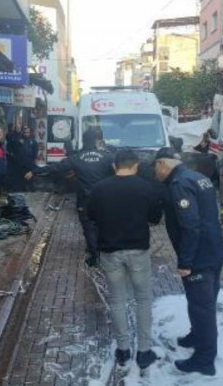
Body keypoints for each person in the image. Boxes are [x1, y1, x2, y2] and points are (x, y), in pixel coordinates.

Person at [87, 150, 163, 370]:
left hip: (110, 251)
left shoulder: (100, 188)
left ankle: (123, 349)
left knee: (117, 300)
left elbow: (91, 216)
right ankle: (144, 351)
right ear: (136, 166)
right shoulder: (146, 187)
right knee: (143, 300)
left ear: (114, 166)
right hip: (138, 250)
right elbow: (155, 218)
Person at [153, 147, 223, 376]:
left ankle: (205, 360)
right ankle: (197, 336)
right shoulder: (198, 177)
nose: (155, 173)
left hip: (199, 256)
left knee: (201, 307)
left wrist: (185, 262)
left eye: (155, 168)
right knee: (204, 302)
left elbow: (190, 225)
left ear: (162, 165)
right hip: (214, 249)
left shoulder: (179, 185)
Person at [25, 128, 114, 266]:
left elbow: (55, 168)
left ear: (83, 141)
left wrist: (35, 171)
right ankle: (104, 250)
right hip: (105, 198)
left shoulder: (76, 158)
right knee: (102, 224)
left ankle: (95, 256)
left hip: (85, 199)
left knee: (88, 226)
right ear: (96, 141)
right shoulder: (108, 157)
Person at [6, 125, 38, 192]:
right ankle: (22, 188)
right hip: (19, 162)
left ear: (30, 133)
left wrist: (34, 159)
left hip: (29, 162)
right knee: (20, 176)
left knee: (30, 175)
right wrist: (18, 144)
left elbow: (35, 151)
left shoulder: (33, 141)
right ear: (22, 133)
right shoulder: (18, 140)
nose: (26, 134)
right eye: (25, 132)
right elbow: (11, 149)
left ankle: (30, 187)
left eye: (27, 132)